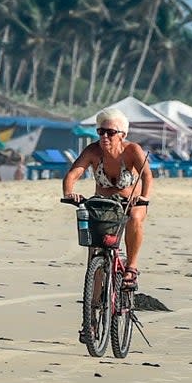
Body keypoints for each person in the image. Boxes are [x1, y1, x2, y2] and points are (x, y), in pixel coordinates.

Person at [62, 108, 153, 294]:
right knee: (95, 248)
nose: (104, 136)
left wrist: (144, 197)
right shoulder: (93, 151)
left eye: (110, 132)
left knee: (135, 219)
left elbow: (147, 175)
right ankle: (93, 309)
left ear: (122, 135)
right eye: (101, 131)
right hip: (103, 204)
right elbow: (74, 173)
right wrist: (69, 193)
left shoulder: (132, 150)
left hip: (130, 203)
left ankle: (131, 269)